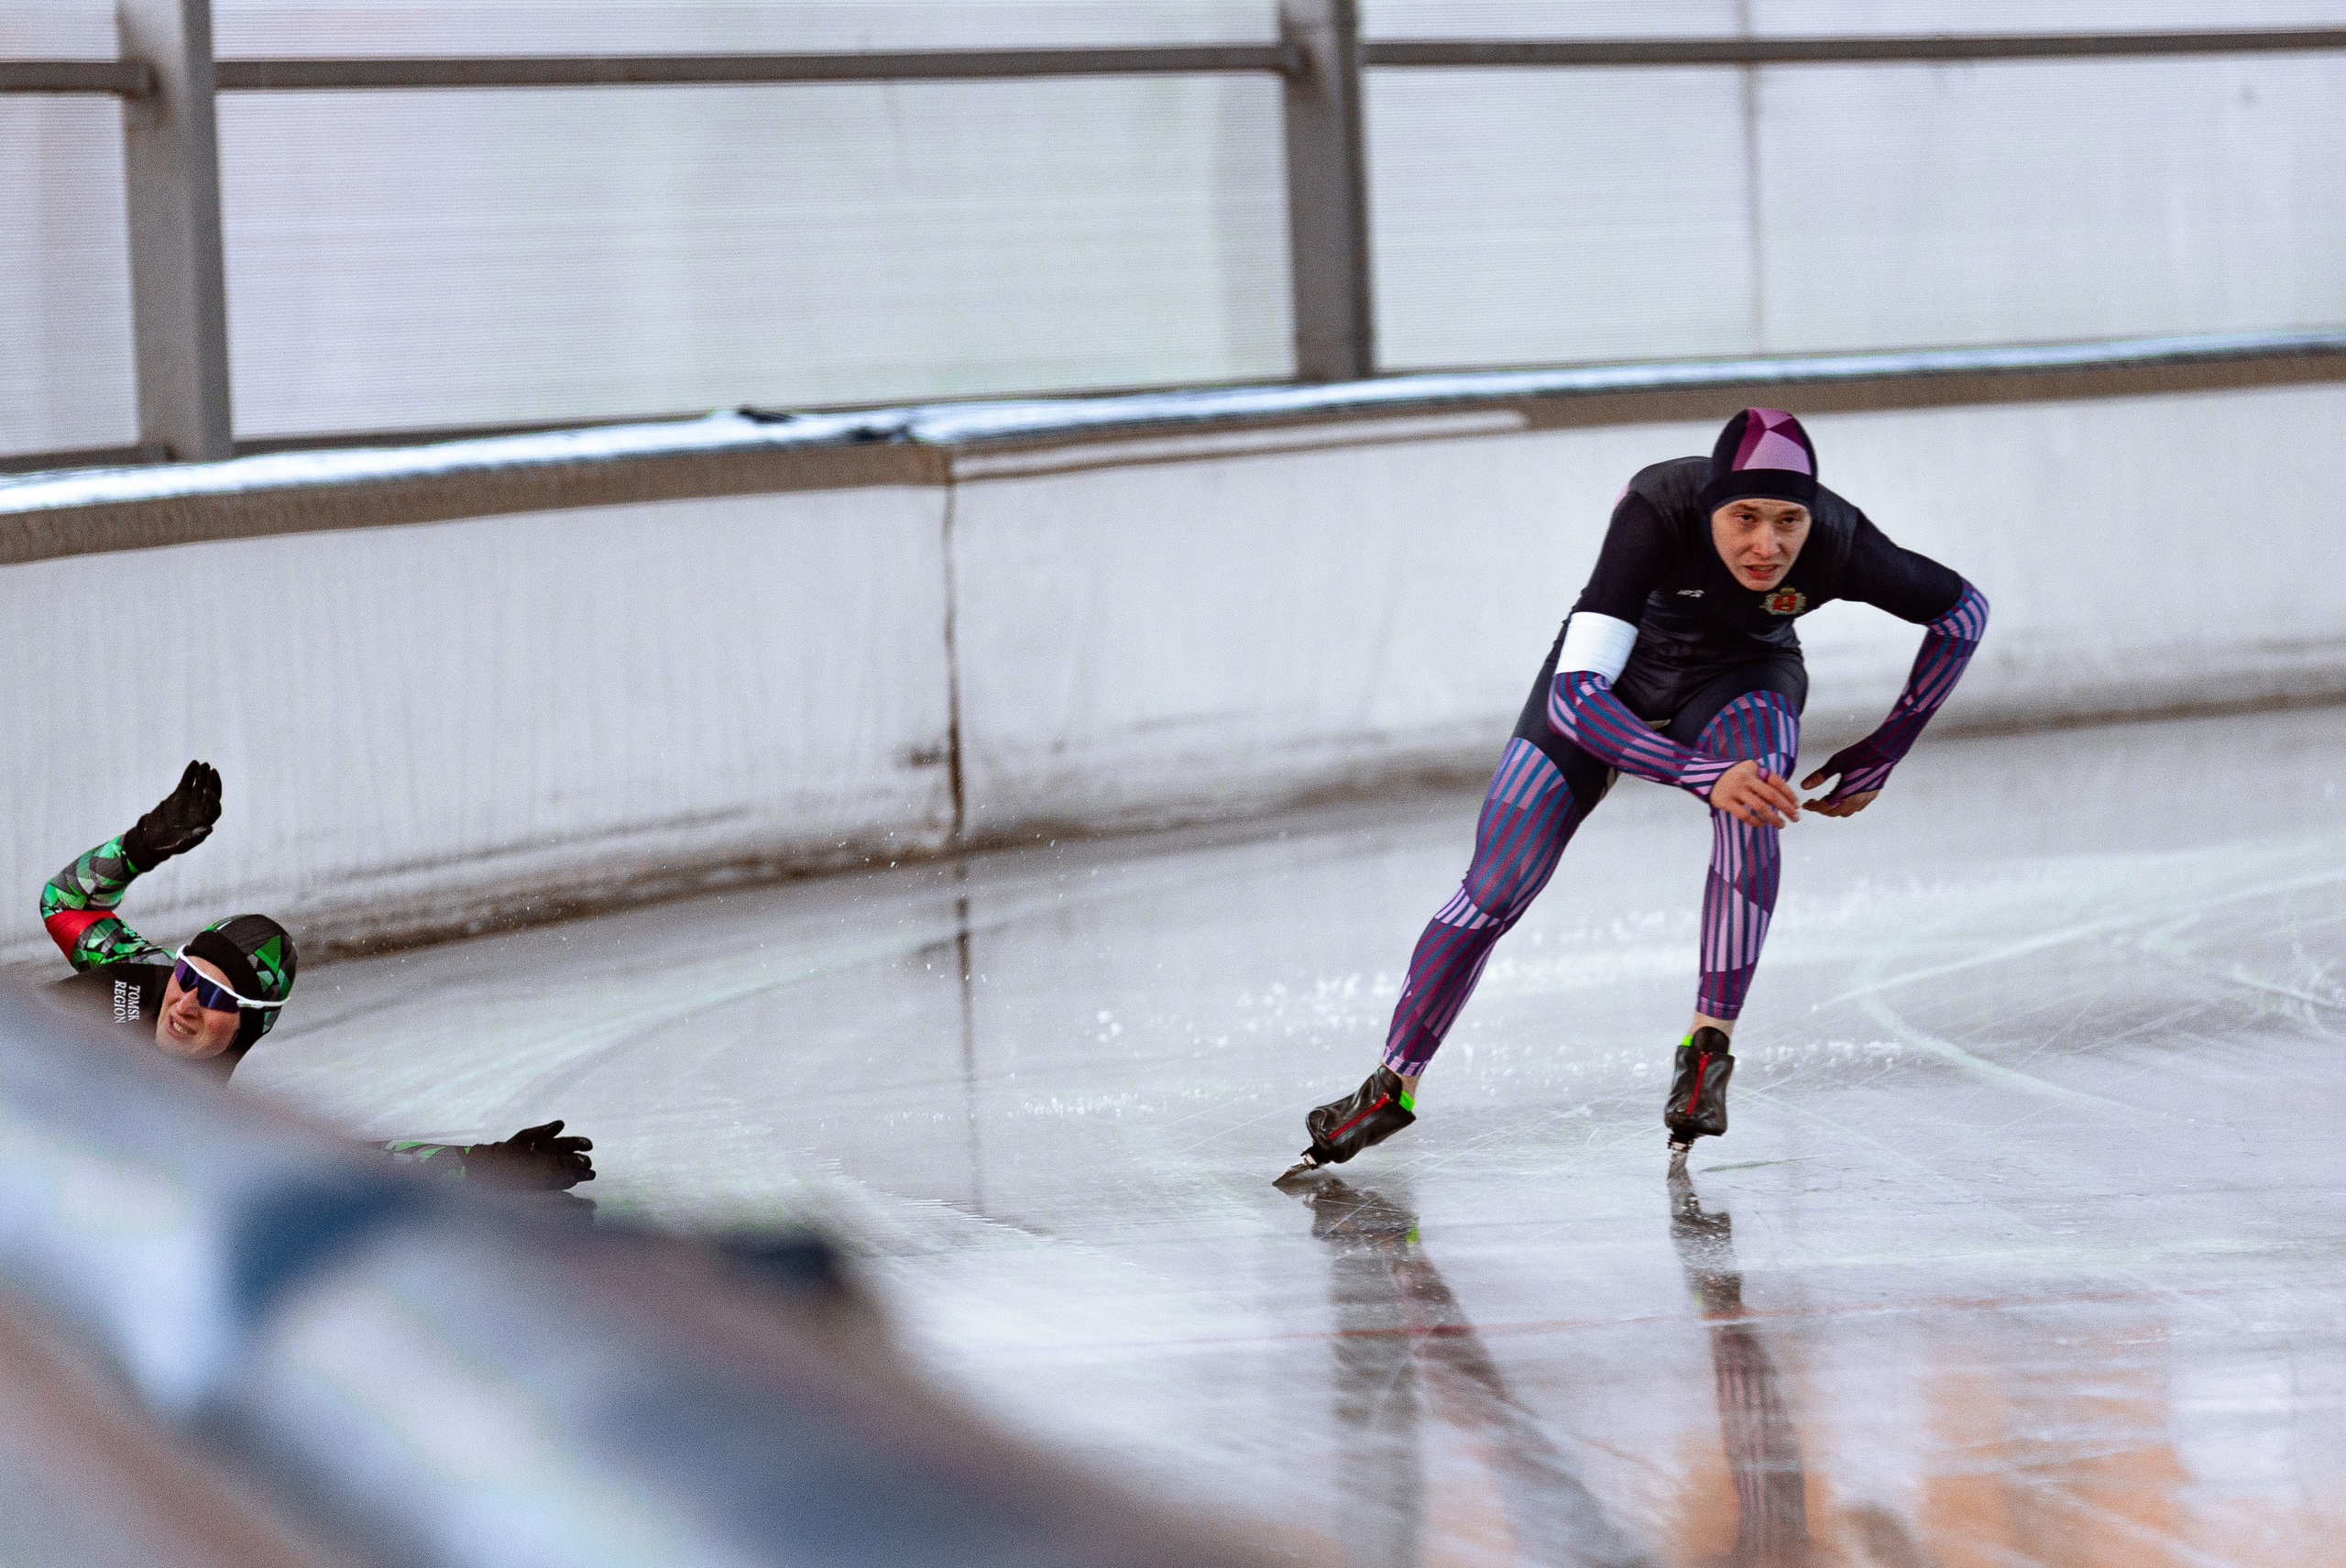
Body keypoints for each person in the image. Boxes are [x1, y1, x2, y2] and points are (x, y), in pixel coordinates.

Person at [1285, 408, 1989, 1176]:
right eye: (1744, 518)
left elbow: (1962, 610)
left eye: (1789, 520)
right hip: (1611, 687)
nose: (1767, 545)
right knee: (1496, 887)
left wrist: (1886, 748)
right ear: (1710, 506)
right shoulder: (1656, 512)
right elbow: (1574, 697)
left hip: (1739, 680)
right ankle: (1393, 1084)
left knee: (1756, 799)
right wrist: (1697, 772)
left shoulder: (1840, 540)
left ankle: (1707, 1048)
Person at [39, 761, 597, 1199]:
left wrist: (484, 1165)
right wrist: (142, 844)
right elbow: (66, 901)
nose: (184, 1002)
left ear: (250, 1024)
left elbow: (351, 1163)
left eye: (216, 997)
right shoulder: (145, 977)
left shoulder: (211, 1128)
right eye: (188, 975)